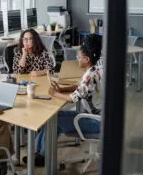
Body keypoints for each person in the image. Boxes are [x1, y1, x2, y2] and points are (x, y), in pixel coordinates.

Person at [22, 34, 103, 166]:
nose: (77, 59)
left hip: (95, 122)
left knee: (56, 120)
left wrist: (54, 92)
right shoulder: (94, 71)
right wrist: (61, 89)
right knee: (54, 117)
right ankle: (40, 153)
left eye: (79, 57)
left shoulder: (90, 76)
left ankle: (42, 156)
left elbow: (73, 98)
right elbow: (80, 87)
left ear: (87, 59)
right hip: (94, 117)